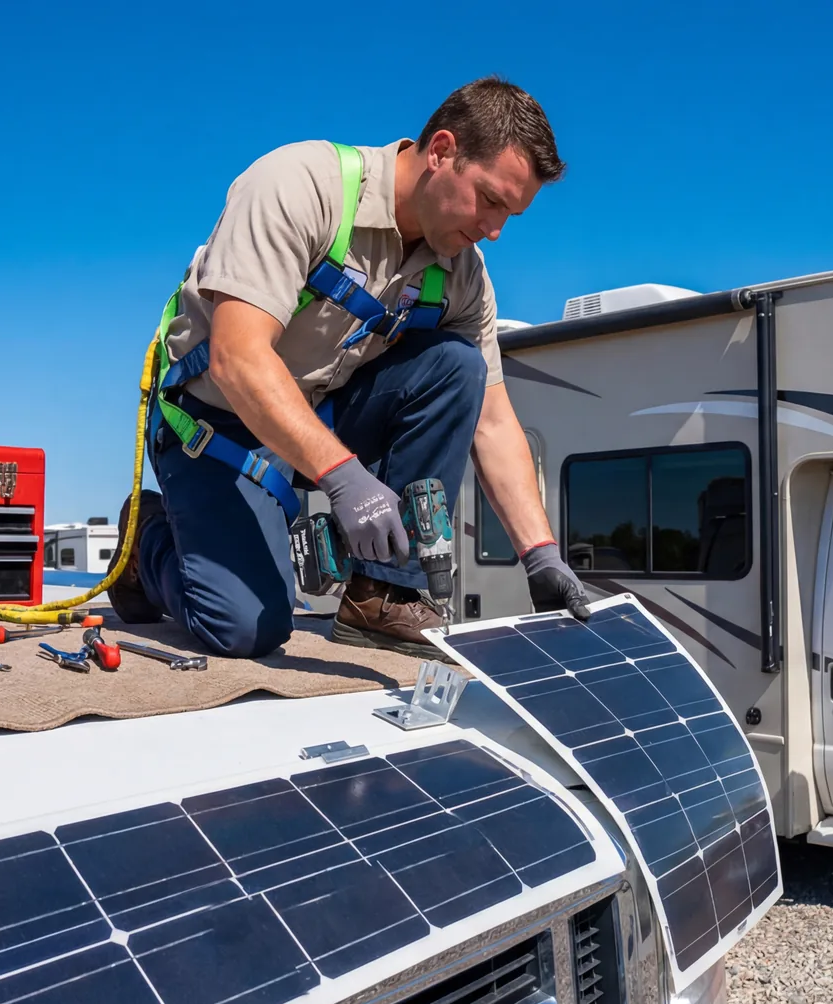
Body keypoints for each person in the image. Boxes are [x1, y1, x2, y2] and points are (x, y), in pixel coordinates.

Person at [110, 76, 591, 659]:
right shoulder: (299, 186)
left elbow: (492, 422)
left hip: (319, 416)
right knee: (245, 630)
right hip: (214, 427)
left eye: (511, 214)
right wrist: (344, 477)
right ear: (441, 151)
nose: (494, 229)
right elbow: (238, 358)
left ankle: (382, 595)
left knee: (456, 368)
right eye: (490, 200)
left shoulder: (463, 275)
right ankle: (149, 544)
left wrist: (540, 555)